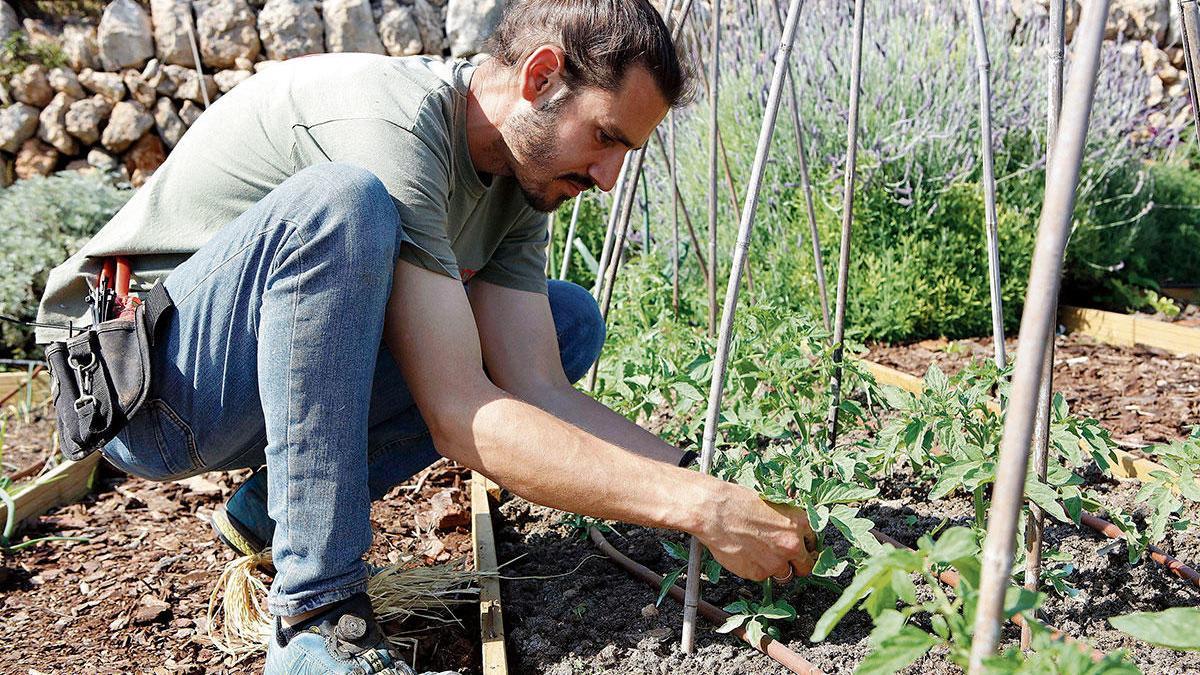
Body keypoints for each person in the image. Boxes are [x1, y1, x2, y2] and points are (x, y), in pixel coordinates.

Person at [36, 1, 817, 672]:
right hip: (141, 385)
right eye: (606, 138)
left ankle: (268, 512)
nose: (610, 179)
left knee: (567, 318)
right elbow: (459, 408)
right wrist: (696, 508)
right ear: (541, 78)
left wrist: (708, 480)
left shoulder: (519, 185)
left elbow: (536, 388)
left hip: (236, 380)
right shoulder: (394, 123)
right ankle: (314, 617)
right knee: (343, 206)